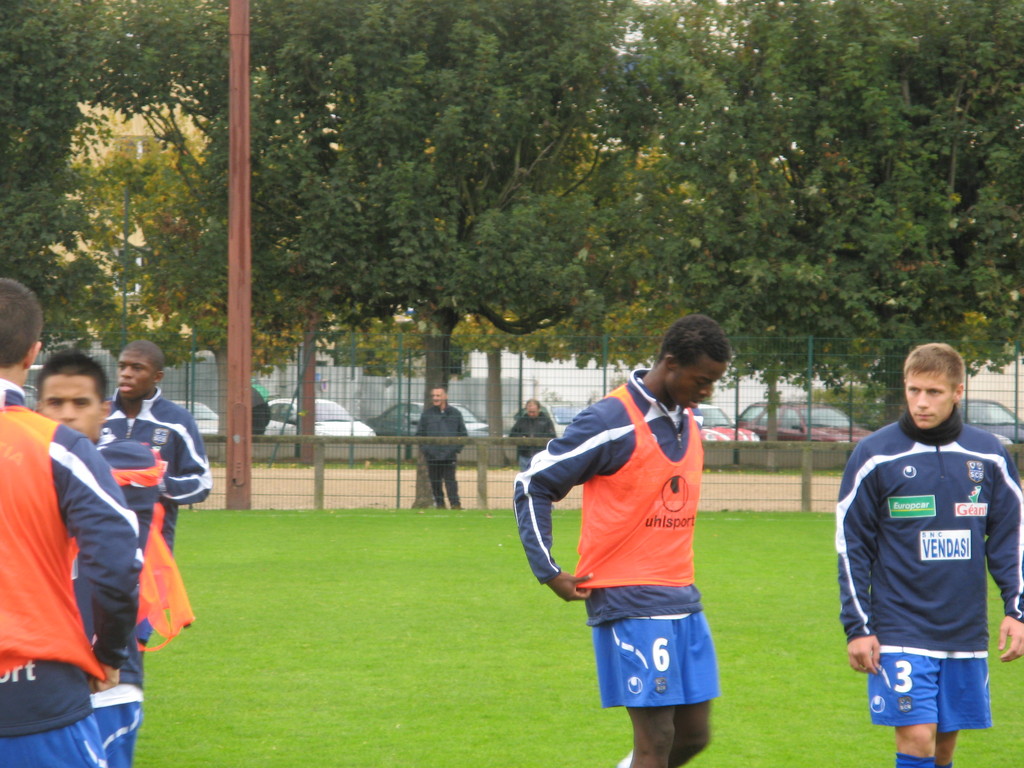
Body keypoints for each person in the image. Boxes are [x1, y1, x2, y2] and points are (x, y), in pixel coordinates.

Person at [514, 314, 732, 768]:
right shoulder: (611, 419)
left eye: (714, 382)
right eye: (702, 380)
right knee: (657, 739)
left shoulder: (687, 417)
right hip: (628, 595)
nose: (707, 391)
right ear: (670, 364)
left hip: (682, 594)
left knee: (694, 735)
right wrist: (548, 571)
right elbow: (533, 482)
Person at [837, 342, 1024, 768]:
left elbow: (1012, 539)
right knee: (917, 739)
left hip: (963, 628)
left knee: (942, 748)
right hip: (899, 626)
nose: (921, 402)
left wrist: (1017, 610)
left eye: (934, 392)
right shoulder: (875, 455)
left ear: (958, 391)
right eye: (913, 390)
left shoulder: (989, 456)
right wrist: (858, 627)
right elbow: (852, 549)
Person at [0, 279, 141, 767]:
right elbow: (118, 563)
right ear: (33, 353)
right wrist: (110, 653)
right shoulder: (59, 447)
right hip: (35, 692)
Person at [37, 349, 164, 768]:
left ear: (104, 410)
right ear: (38, 409)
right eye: (55, 403)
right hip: (44, 673)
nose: (67, 415)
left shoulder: (131, 459)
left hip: (108, 674)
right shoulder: (24, 468)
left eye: (80, 403)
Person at [105, 340, 212, 551]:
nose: (126, 373)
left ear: (157, 377)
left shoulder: (178, 421)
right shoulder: (98, 413)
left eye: (137, 368)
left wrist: (156, 484)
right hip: (98, 541)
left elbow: (202, 482)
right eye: (122, 366)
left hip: (155, 546)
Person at [415, 386, 467, 509]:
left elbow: (463, 434)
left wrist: (455, 449)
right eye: (433, 396)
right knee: (435, 482)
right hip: (432, 456)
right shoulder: (427, 414)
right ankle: (440, 504)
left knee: (451, 481)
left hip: (449, 455)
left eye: (438, 395)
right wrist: (427, 450)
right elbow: (420, 435)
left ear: (445, 396)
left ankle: (455, 504)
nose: (435, 398)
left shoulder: (455, 413)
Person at [508, 398, 557, 472]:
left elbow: (552, 437)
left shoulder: (546, 421)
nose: (531, 414)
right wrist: (521, 438)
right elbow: (512, 434)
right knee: (525, 476)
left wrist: (539, 440)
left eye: (533, 412)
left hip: (541, 455)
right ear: (526, 409)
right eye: (529, 411)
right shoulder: (522, 420)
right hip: (525, 454)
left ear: (539, 409)